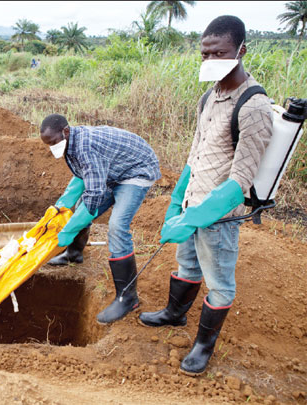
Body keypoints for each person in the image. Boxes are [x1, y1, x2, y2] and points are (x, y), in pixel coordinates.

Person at [139, 15, 273, 376]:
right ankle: (173, 314)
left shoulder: (254, 107)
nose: (211, 60)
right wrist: (176, 202)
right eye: (205, 53)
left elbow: (240, 181)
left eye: (221, 52)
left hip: (218, 217)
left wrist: (196, 217)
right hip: (192, 202)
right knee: (187, 265)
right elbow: (195, 154)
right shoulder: (208, 97)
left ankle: (203, 346)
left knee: (219, 283)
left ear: (242, 50)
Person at [40, 114, 161, 324]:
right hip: (113, 170)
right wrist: (61, 205)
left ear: (66, 131)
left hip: (135, 171)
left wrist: (68, 231)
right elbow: (81, 177)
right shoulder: (70, 143)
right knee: (78, 209)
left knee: (117, 226)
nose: (52, 147)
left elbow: (94, 195)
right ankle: (73, 255)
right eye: (48, 145)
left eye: (53, 142)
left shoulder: (85, 147)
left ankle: (127, 298)